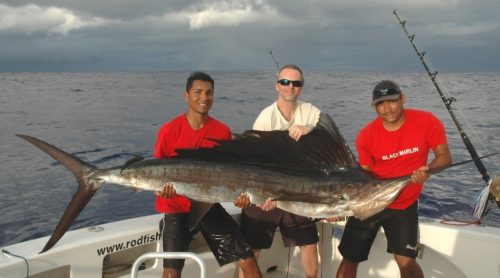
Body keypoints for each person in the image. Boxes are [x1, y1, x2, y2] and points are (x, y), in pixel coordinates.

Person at [336, 80, 452, 278]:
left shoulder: (427, 121)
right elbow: (363, 175)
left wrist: (429, 170)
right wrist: (340, 205)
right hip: (370, 202)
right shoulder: (365, 136)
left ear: (402, 98)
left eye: (392, 101)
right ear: (374, 107)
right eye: (380, 104)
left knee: (406, 261)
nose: (387, 108)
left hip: (404, 205)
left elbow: (445, 157)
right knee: (349, 258)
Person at [154, 71, 262, 278]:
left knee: (248, 261)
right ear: (186, 95)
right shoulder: (169, 130)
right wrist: (162, 191)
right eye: (198, 92)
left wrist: (240, 198)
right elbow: (158, 173)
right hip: (177, 208)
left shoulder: (222, 131)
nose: (204, 98)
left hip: (209, 207)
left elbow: (231, 176)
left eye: (209, 93)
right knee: (171, 272)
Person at [237, 64, 321, 278]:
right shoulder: (265, 117)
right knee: (252, 249)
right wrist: (264, 195)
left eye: (296, 83)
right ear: (277, 86)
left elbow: (325, 129)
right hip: (265, 189)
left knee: (309, 244)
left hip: (296, 191)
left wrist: (308, 128)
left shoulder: (309, 111)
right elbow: (252, 160)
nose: (290, 87)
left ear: (300, 88)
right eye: (285, 82)